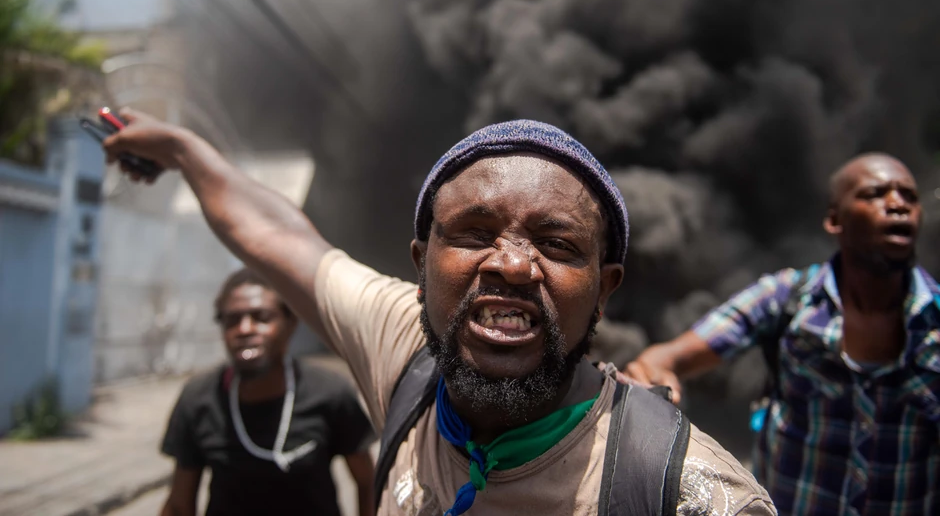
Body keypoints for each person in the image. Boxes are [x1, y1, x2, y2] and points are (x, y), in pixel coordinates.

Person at [106, 111, 774, 516]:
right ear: (421, 264)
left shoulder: (683, 490)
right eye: (476, 233)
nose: (512, 264)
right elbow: (278, 238)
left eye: (556, 244)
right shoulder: (407, 348)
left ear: (604, 288)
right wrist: (182, 150)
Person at [624, 153, 940, 516]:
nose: (898, 204)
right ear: (834, 220)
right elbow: (671, 357)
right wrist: (653, 376)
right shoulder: (786, 298)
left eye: (909, 196)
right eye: (875, 194)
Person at [160, 268, 376, 516]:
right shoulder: (199, 398)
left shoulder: (330, 392)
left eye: (261, 317)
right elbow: (180, 504)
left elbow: (367, 482)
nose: (245, 329)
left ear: (290, 323)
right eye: (232, 320)